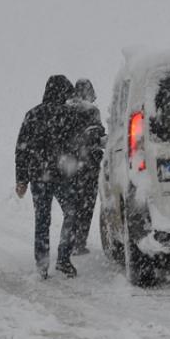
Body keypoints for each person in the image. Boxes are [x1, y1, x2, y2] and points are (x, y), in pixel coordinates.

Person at [15, 75, 83, 279]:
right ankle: (63, 259)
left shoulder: (33, 115)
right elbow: (79, 147)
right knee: (72, 214)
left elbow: (21, 149)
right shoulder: (71, 116)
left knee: (42, 219)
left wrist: (21, 179)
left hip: (39, 176)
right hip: (64, 176)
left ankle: (42, 264)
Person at [67, 79, 105, 255]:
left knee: (72, 205)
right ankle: (79, 243)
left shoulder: (66, 109)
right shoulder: (91, 110)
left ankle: (69, 240)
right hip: (89, 164)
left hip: (70, 165)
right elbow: (98, 134)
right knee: (87, 205)